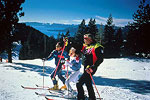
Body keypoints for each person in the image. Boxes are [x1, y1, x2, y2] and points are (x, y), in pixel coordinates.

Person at [76, 34, 104, 100]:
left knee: (79, 83)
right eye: (84, 38)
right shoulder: (86, 46)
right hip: (86, 67)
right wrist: (67, 42)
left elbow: (100, 59)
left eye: (85, 38)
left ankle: (81, 97)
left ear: (90, 39)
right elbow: (76, 46)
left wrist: (93, 67)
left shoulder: (97, 46)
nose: (84, 40)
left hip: (91, 68)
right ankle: (92, 97)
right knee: (88, 83)